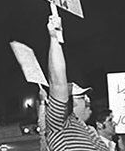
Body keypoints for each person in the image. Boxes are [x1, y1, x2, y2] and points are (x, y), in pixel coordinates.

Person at [45, 13, 109, 151]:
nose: (87, 99)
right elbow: (57, 82)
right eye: (81, 97)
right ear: (67, 103)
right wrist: (54, 37)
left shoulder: (90, 133)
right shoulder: (59, 124)